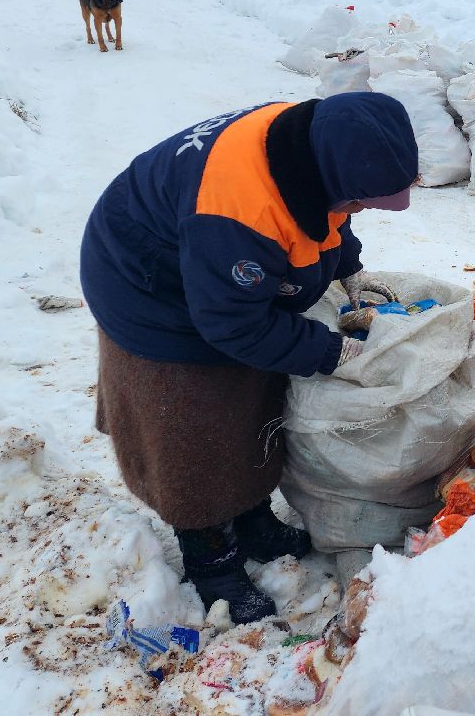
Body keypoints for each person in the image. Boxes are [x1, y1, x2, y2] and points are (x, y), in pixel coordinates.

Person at [80, 93, 418, 623]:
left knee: (251, 395)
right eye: (357, 202)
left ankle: (252, 515)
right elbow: (232, 324)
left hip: (209, 269)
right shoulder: (237, 210)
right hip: (147, 285)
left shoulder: (310, 143)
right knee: (192, 426)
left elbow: (327, 216)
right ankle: (210, 553)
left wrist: (345, 263)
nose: (355, 212)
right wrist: (330, 350)